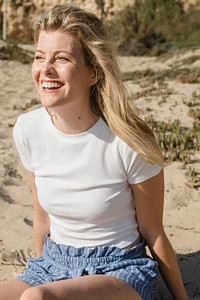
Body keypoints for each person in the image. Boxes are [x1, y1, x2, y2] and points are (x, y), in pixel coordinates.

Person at [0, 4, 190, 300]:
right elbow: (42, 219)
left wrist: (181, 297)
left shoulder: (128, 140)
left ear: (94, 73)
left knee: (36, 299)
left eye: (61, 58)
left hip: (119, 269)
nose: (45, 69)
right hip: (54, 263)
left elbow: (153, 232)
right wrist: (41, 274)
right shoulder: (28, 129)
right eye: (39, 57)